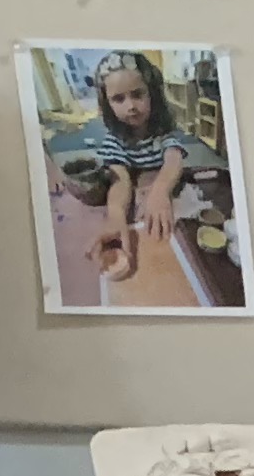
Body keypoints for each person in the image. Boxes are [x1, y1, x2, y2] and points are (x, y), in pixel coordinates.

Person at [78, 52, 187, 296]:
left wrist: (160, 191)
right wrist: (116, 215)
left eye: (138, 94)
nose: (131, 106)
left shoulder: (162, 133)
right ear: (107, 104)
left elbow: (174, 159)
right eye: (119, 99)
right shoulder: (114, 140)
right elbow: (120, 179)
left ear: (152, 94)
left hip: (161, 199)